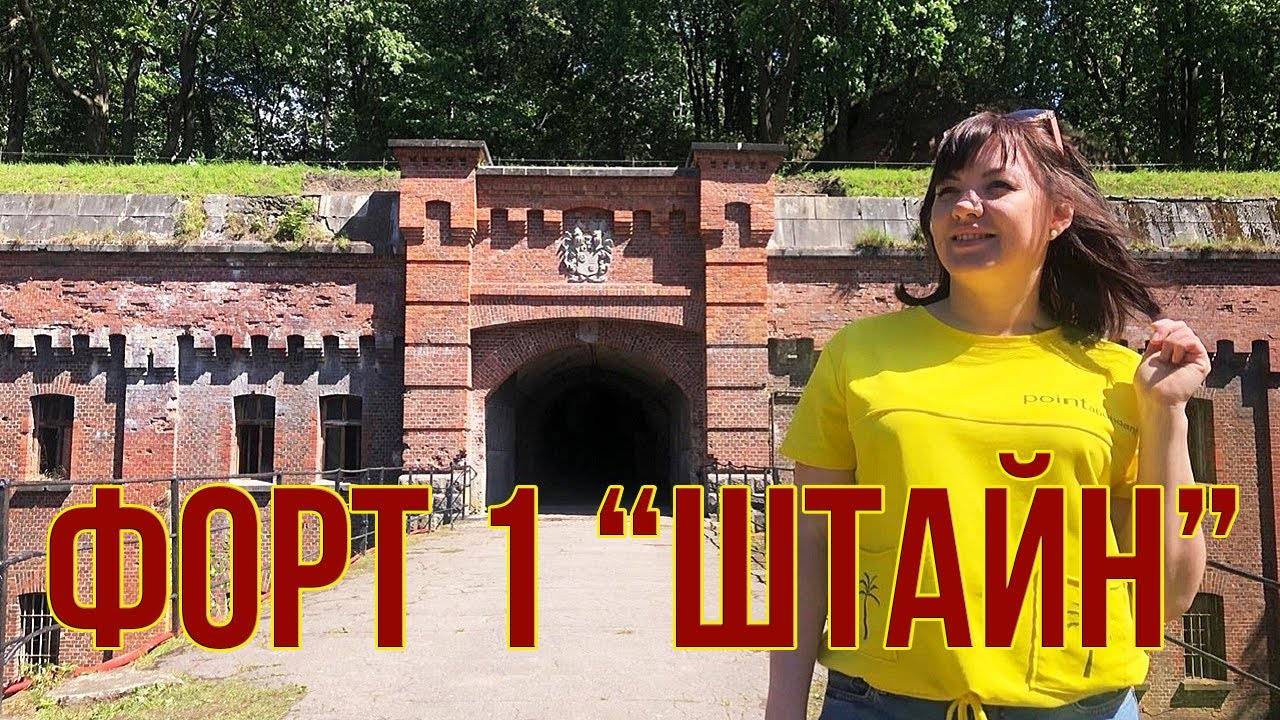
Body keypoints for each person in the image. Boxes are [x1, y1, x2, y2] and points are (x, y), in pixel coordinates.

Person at [766, 109, 1210, 720]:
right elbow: (812, 542)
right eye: (947, 190)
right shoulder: (858, 356)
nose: (965, 207)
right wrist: (784, 705)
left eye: (996, 186)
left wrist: (1167, 413)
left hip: (1079, 708)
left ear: (1059, 214)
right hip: (883, 706)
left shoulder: (1120, 376)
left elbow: (1169, 595)